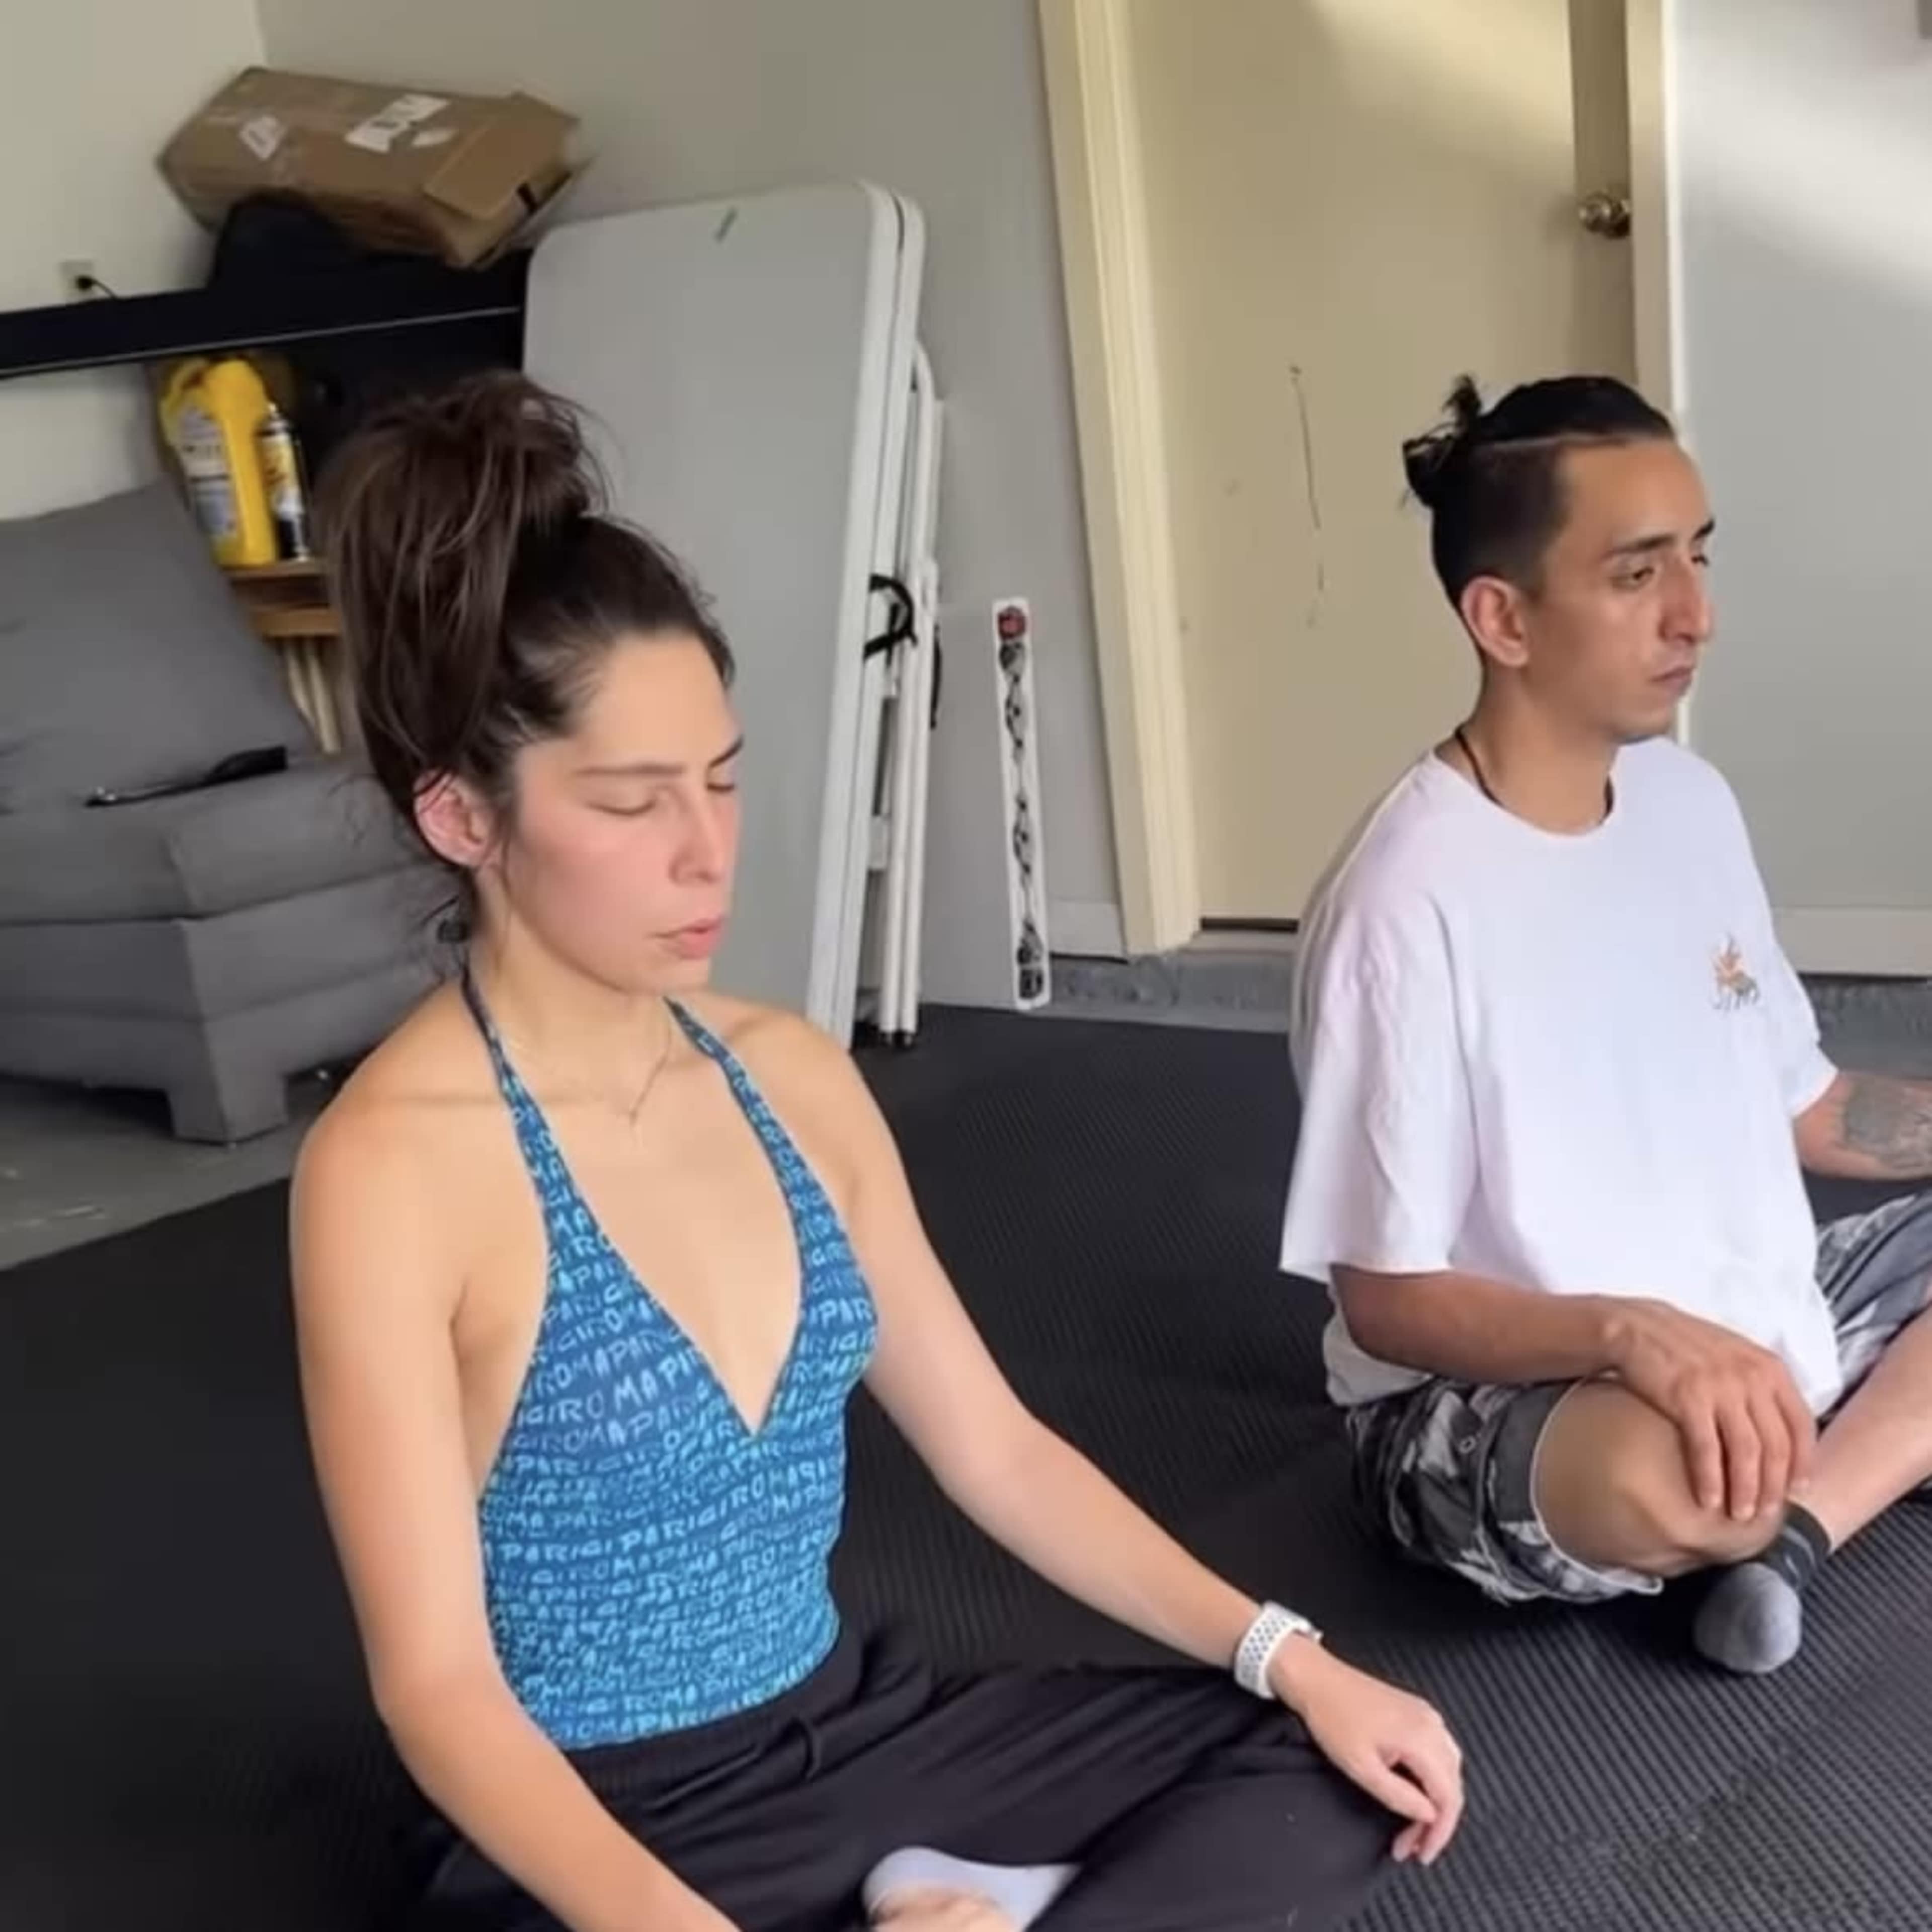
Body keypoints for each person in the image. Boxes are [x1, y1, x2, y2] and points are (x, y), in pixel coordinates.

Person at [291, 371, 1462, 1932]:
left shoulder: (790, 1078)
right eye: (635, 804)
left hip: (856, 1728)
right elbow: (436, 1691)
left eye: (721, 778)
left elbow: (996, 1450)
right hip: (585, 1830)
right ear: (463, 820)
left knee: (1326, 1772)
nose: (710, 852)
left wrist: (1294, 1659)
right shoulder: (390, 1172)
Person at [1281, 372, 1932, 1681]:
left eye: (1697, 557)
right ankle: (1831, 1471)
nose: (1696, 614)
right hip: (1512, 1399)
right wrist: (1633, 1334)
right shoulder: (1405, 900)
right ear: (1503, 618)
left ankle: (1796, 1533)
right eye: (1639, 574)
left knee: (1738, 1460)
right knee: (1671, 1474)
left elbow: (1804, 1104)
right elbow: (1387, 1298)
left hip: (1750, 1333)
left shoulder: (1691, 805)